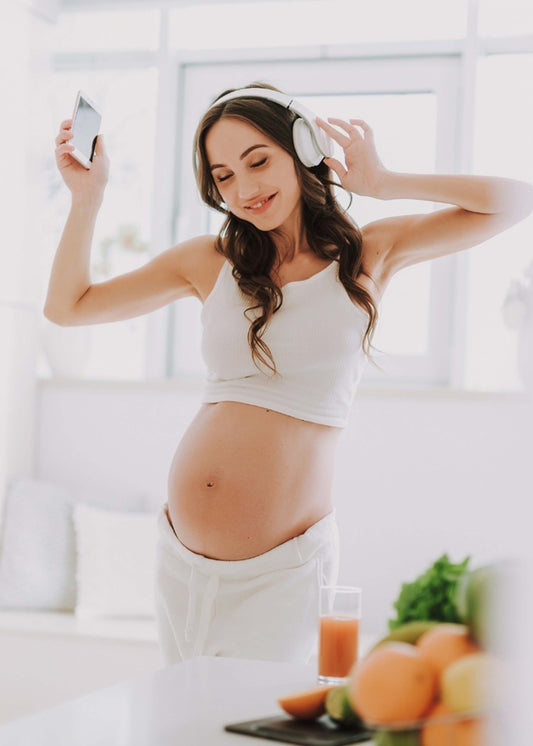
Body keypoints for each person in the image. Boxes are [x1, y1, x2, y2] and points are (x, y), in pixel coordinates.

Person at [47, 81, 533, 665]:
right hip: (182, 561)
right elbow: (67, 307)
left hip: (284, 570)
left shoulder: (370, 253)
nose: (245, 188)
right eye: (224, 176)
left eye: (258, 161)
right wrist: (86, 199)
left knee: (260, 722)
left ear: (303, 150)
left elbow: (516, 200)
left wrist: (385, 184)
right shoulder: (207, 262)